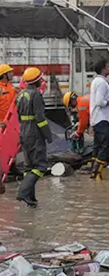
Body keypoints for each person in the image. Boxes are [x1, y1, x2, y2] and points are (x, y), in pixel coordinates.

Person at [15, 68, 52, 207]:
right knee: (41, 166)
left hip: (24, 132)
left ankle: (31, 199)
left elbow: (18, 116)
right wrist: (48, 135)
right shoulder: (36, 95)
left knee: (29, 167)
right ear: (37, 81)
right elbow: (40, 118)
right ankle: (24, 193)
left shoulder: (21, 95)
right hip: (34, 133)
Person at [89, 59, 109, 181]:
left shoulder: (96, 81)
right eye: (107, 67)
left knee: (97, 145)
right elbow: (100, 102)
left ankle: (94, 172)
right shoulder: (101, 83)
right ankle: (96, 172)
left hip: (97, 118)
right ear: (103, 69)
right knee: (105, 144)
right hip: (101, 118)